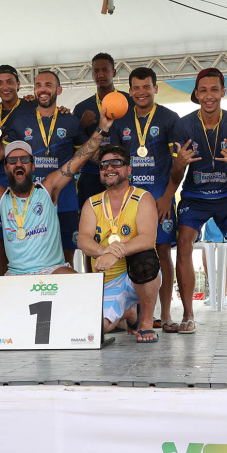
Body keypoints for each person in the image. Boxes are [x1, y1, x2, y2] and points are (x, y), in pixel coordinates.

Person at [0, 106, 113, 340]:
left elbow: (79, 158)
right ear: (6, 167)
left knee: (91, 312)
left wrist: (101, 129)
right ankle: (32, 325)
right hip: (16, 275)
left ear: (32, 165)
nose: (18, 164)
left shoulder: (48, 188)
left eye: (24, 160)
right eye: (12, 161)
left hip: (53, 270)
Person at [0, 71, 86, 264]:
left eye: (48, 85)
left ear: (58, 90)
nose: (43, 89)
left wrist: (100, 129)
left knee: (67, 254)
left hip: (64, 198)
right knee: (22, 253)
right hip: (30, 199)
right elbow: (0, 151)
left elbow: (84, 154)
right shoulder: (21, 121)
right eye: (38, 85)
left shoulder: (70, 120)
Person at [170, 68, 227, 334]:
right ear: (196, 94)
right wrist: (179, 164)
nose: (209, 96)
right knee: (184, 241)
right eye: (203, 90)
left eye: (214, 90)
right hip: (195, 195)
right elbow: (176, 176)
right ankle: (188, 315)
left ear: (223, 92)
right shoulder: (183, 126)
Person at [108, 67, 180, 332]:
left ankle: (166, 314)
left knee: (162, 251)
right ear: (129, 91)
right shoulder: (120, 120)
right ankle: (135, 315)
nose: (141, 92)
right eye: (136, 88)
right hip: (128, 201)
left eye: (146, 87)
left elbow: (178, 164)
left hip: (160, 198)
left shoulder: (169, 118)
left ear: (155, 88)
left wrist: (167, 197)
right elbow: (115, 162)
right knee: (127, 251)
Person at [78, 145, 161, 342]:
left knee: (146, 257)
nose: (109, 168)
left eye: (116, 163)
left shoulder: (143, 197)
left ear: (129, 169)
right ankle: (129, 313)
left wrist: (114, 253)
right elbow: (83, 240)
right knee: (96, 329)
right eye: (103, 165)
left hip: (138, 277)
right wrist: (103, 250)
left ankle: (146, 323)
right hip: (108, 280)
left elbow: (147, 239)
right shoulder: (92, 203)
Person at [0, 65, 37, 279]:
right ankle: (1, 293)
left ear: (18, 84)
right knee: (3, 245)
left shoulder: (32, 106)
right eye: (0, 83)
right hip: (3, 184)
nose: (5, 87)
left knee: (36, 240)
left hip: (31, 182)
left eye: (10, 82)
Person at [73, 53, 130, 213]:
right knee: (90, 219)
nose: (100, 74)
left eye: (105, 70)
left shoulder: (129, 101)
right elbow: (74, 141)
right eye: (96, 71)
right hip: (91, 174)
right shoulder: (82, 108)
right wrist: (81, 125)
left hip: (121, 172)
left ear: (114, 72)